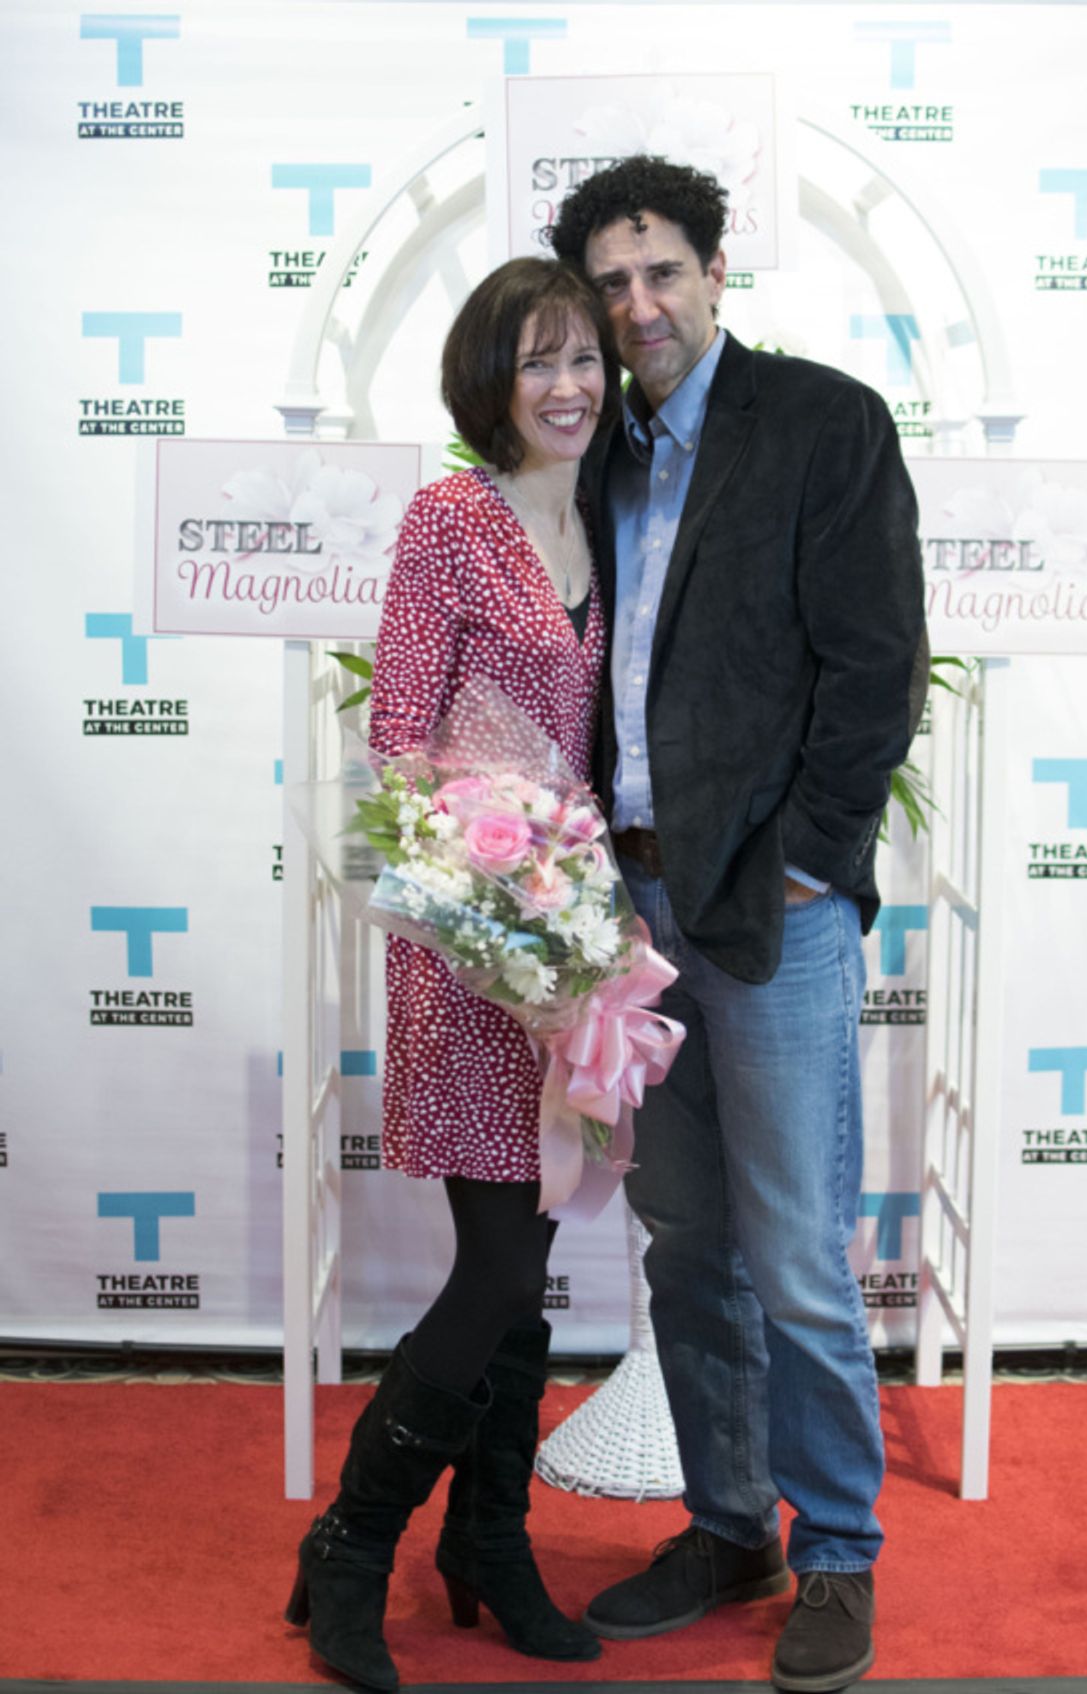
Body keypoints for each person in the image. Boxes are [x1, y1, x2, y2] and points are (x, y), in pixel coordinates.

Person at [549, 157, 928, 1692]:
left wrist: (810, 861)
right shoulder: (593, 452)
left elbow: (874, 663)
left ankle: (835, 1546)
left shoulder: (822, 425)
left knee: (791, 1247)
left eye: (662, 274)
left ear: (715, 273)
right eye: (612, 285)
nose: (638, 306)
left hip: (771, 916)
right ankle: (729, 1525)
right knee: (685, 1237)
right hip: (631, 908)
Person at [285, 257, 622, 1693]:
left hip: (579, 952)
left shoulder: (613, 520)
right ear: (491, 378)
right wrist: (504, 922)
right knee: (494, 1265)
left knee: (530, 1270)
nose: (570, 387)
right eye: (540, 361)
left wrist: (581, 948)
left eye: (588, 358)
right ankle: (353, 1547)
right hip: (474, 949)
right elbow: (404, 743)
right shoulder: (449, 519)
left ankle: (491, 1540)